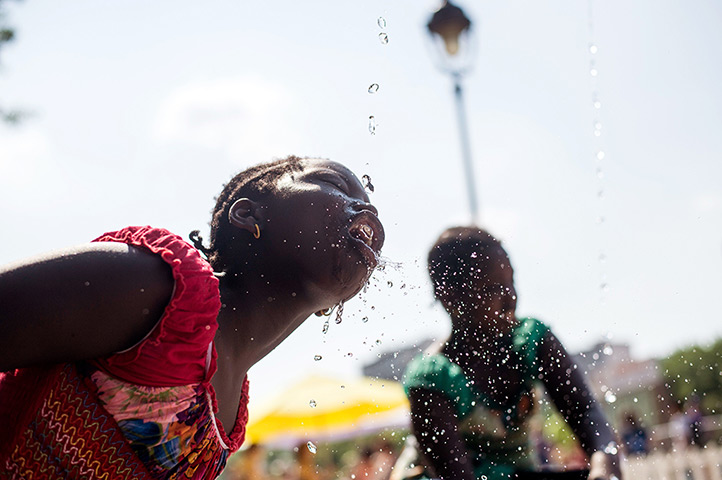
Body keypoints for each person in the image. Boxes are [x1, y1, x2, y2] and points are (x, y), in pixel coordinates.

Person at [0, 156, 385, 479]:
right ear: (248, 213)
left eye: (369, 204)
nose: (366, 210)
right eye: (335, 184)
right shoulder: (156, 289)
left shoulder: (228, 420)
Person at [391, 227, 622, 480]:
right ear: (451, 298)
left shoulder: (531, 341)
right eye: (492, 289)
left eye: (510, 283)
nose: (510, 298)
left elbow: (584, 411)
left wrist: (604, 461)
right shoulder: (433, 379)